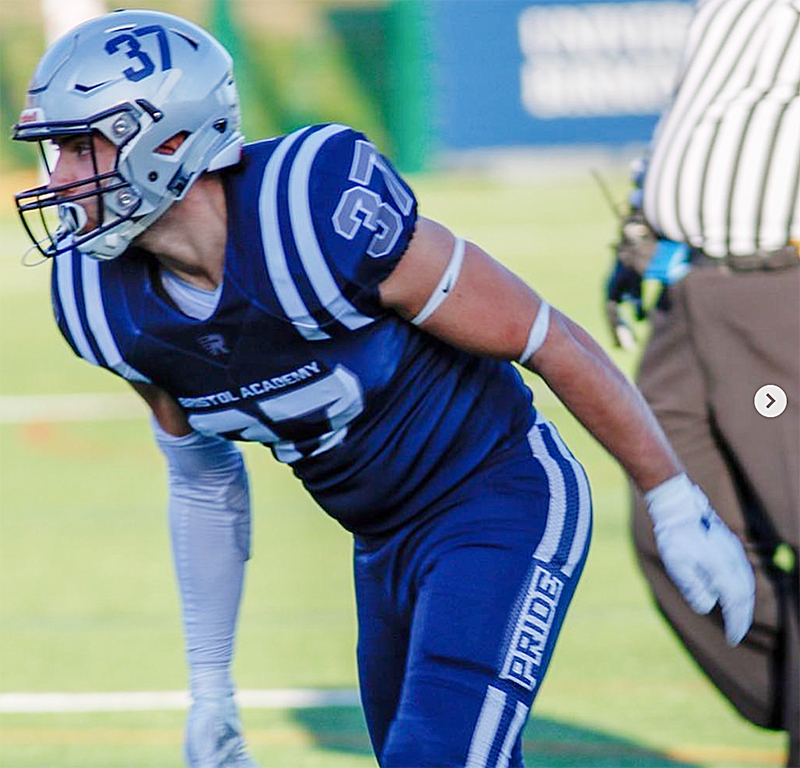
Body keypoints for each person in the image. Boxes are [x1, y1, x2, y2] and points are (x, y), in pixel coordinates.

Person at [13, 9, 756, 768]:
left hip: (499, 496)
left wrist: (671, 497)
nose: (60, 179)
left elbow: (545, 337)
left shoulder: (307, 216)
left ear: (171, 140)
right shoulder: (102, 303)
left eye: (80, 146)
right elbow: (202, 481)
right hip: (381, 547)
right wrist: (211, 688)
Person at [605, 0, 800, 764]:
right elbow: (704, 110)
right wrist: (639, 231)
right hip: (689, 287)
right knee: (673, 525)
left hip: (776, 286)